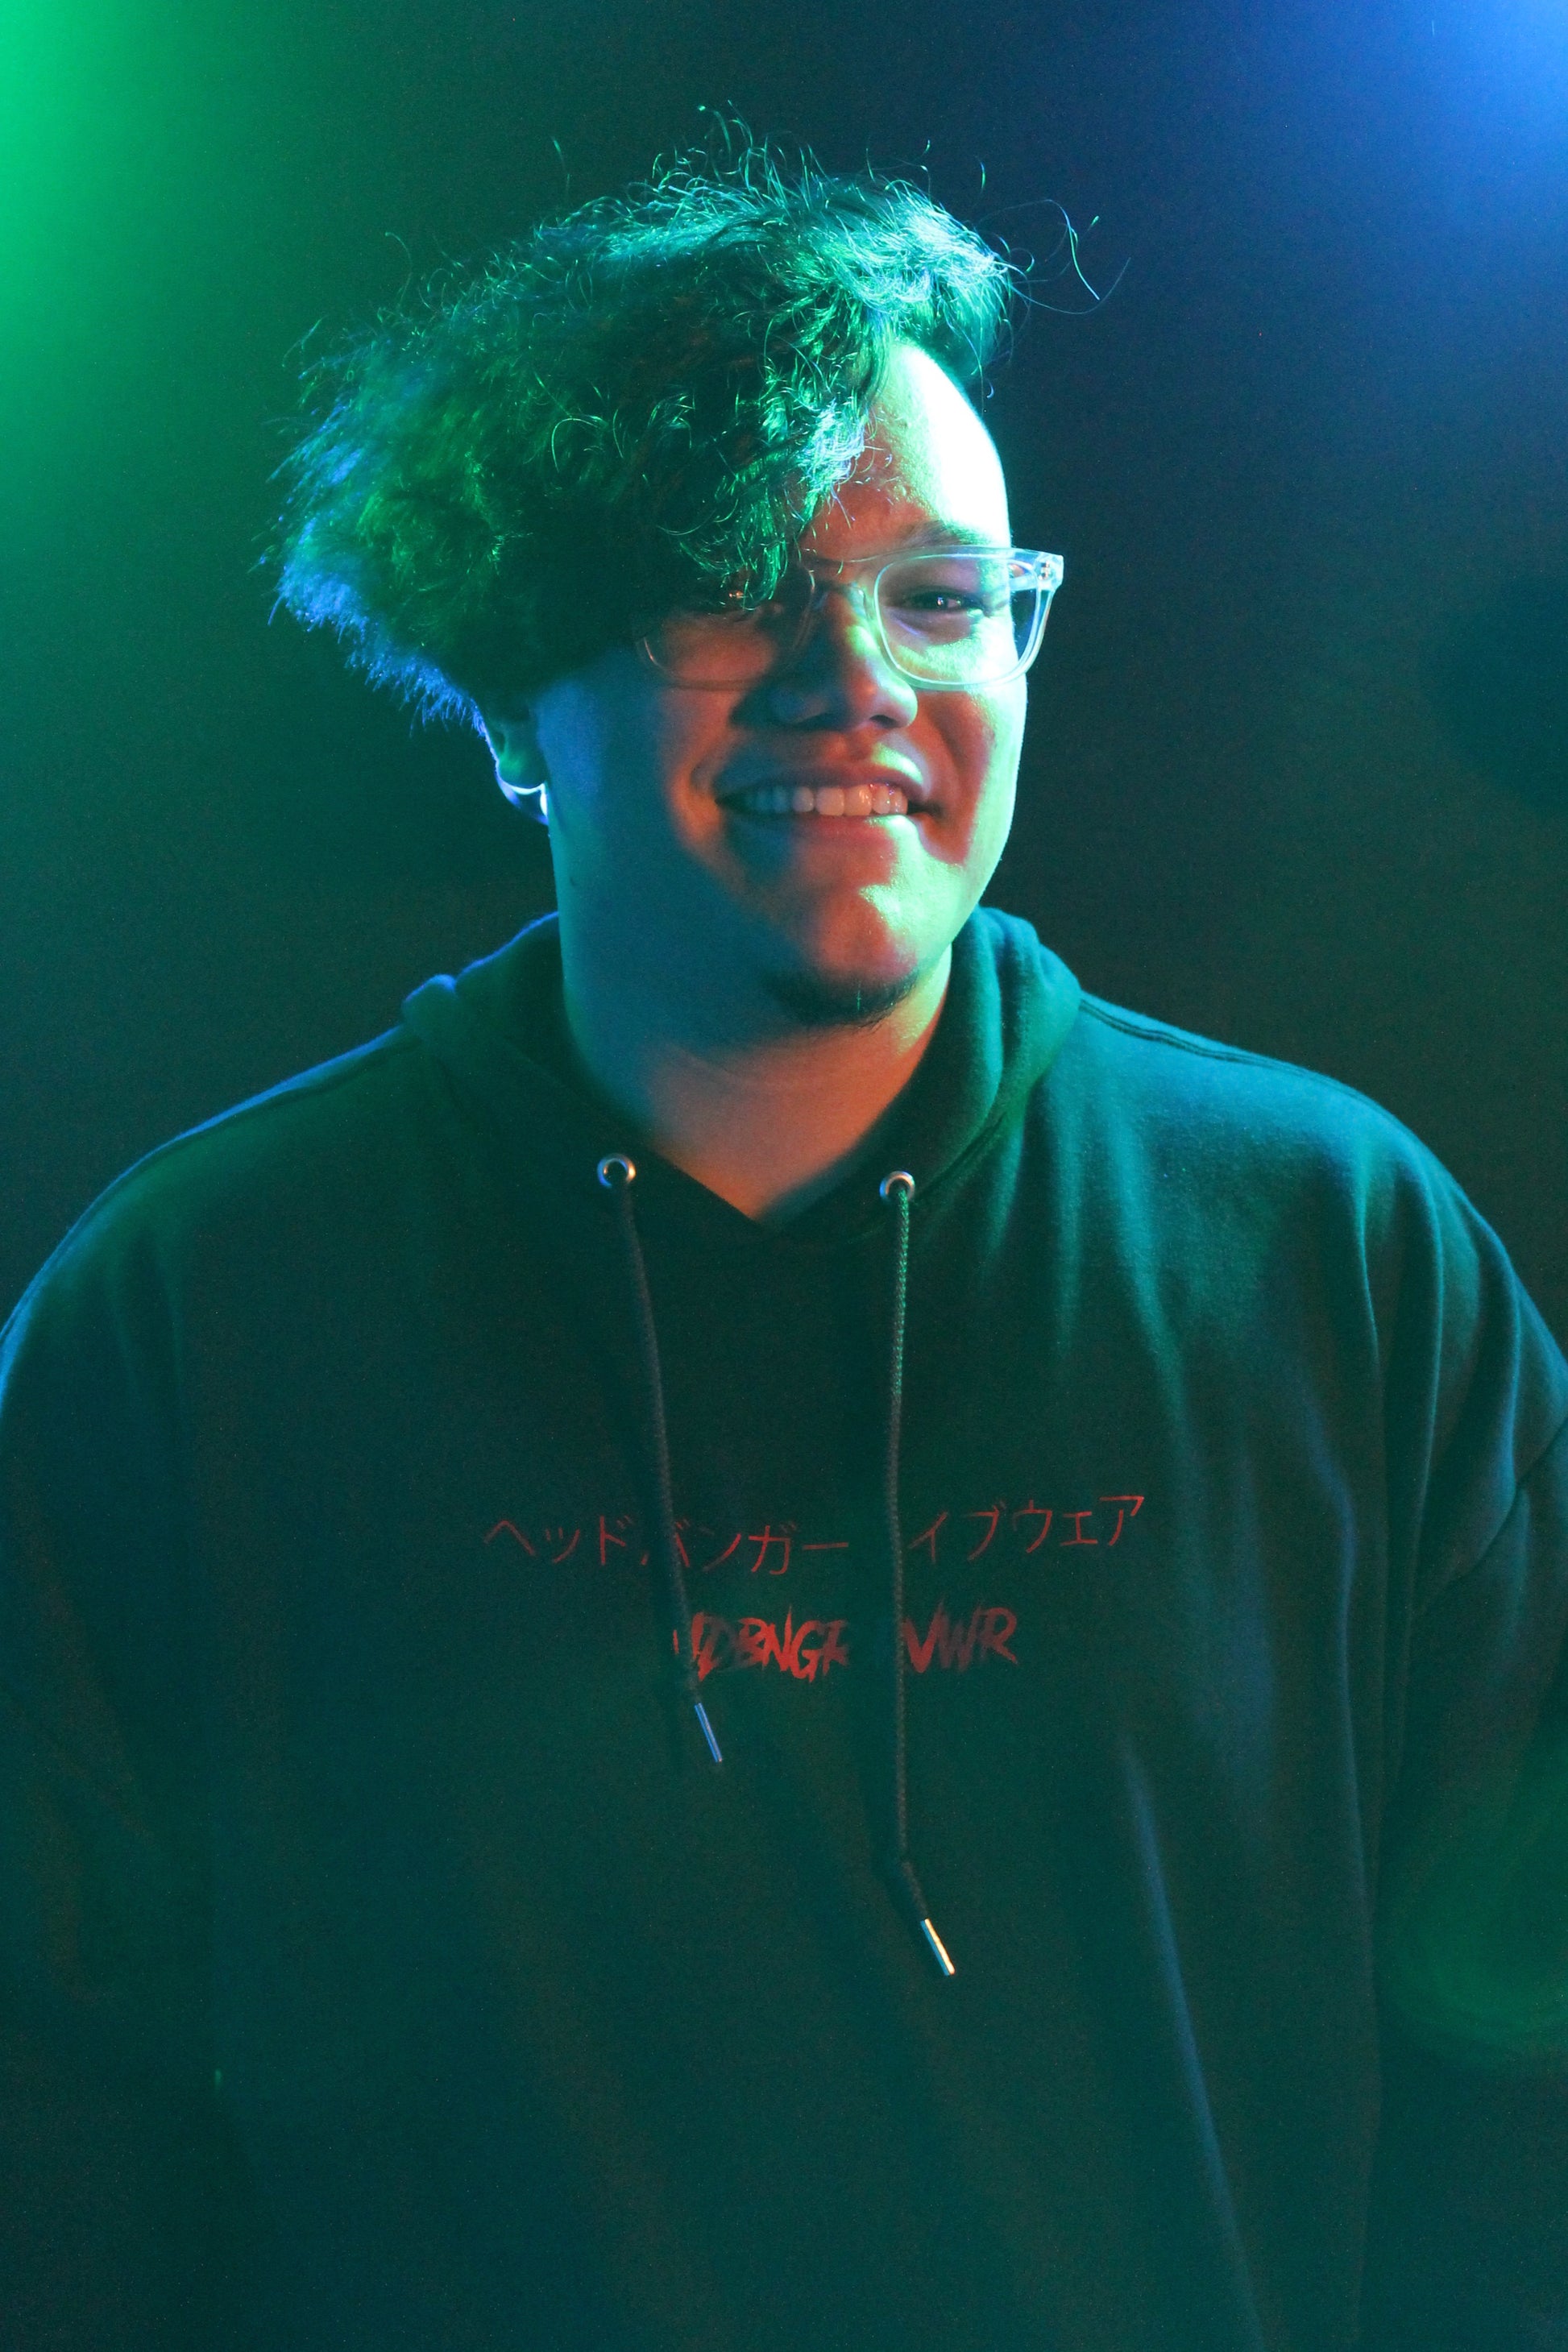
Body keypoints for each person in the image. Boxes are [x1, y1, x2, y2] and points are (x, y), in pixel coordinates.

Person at [2, 140, 1565, 2352]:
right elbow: (62, 2129)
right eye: (735, 590)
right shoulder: (200, 1310)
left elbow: (1527, 2073)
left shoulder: (1327, 1242)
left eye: (941, 596)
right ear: (511, 684)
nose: (857, 679)